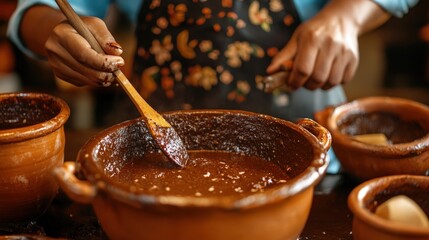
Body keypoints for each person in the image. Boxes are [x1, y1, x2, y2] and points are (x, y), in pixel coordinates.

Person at [7, 0, 418, 173]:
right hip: (150, 150)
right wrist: (55, 29)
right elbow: (36, 11)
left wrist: (347, 15)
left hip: (310, 148)